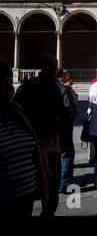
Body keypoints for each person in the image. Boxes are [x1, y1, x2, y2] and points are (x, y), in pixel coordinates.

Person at [14, 53, 65, 216]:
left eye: (56, 65)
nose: (55, 69)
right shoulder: (36, 86)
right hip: (40, 140)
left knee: (48, 184)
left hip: (46, 139)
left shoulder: (40, 86)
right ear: (45, 67)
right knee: (42, 185)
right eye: (53, 66)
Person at [0, 62, 49, 216]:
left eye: (9, 81)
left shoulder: (16, 112)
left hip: (26, 197)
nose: (10, 87)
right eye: (4, 82)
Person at [56, 68, 79, 194]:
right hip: (63, 126)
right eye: (67, 75)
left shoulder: (46, 87)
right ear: (63, 76)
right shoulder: (64, 89)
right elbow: (73, 105)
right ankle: (64, 184)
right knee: (67, 153)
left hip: (48, 128)